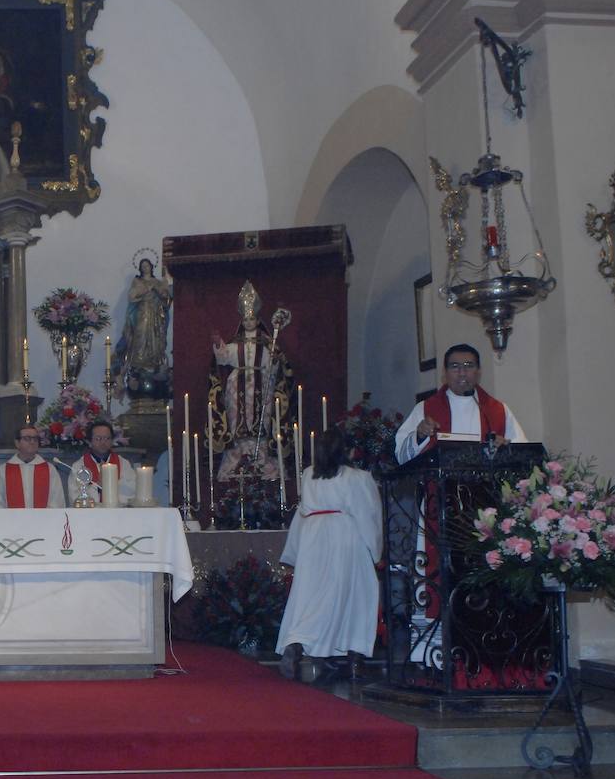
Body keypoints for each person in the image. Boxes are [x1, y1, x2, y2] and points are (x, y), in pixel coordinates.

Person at [276, 428, 383, 680]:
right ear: (347, 450)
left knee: (311, 597)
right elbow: (368, 514)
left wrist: (295, 550)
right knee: (355, 596)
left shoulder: (308, 475)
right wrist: (375, 550)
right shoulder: (357, 477)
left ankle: (297, 642)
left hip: (313, 539)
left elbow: (302, 513)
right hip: (345, 538)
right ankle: (355, 656)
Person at [395, 343, 527, 463]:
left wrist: (505, 448)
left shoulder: (498, 411)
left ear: (478, 372)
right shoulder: (424, 409)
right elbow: (401, 457)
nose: (462, 373)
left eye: (469, 366)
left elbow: (524, 455)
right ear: (445, 373)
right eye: (454, 367)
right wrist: (419, 436)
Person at [210, 280, 289, 481]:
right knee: (238, 422)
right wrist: (218, 344)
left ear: (257, 319)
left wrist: (274, 358)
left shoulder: (266, 342)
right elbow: (223, 358)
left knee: (261, 422)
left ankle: (262, 461)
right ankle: (237, 459)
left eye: (252, 319)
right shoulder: (235, 343)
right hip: (237, 386)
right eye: (245, 320)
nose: (248, 323)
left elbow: (275, 367)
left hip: (261, 385)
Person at [110, 258, 173, 397]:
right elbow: (131, 296)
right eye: (143, 266)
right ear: (140, 268)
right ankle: (139, 364)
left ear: (151, 267)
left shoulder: (158, 282)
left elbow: (166, 299)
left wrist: (159, 290)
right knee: (141, 337)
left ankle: (154, 363)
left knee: (156, 340)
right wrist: (146, 289)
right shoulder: (137, 282)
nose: (145, 268)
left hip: (156, 316)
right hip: (142, 313)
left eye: (147, 265)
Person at [0, 425, 65, 509]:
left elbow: (57, 501)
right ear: (17, 443)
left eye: (35, 439)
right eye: (27, 438)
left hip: (45, 521)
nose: (32, 442)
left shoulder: (49, 470)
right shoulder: (3, 471)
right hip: (11, 521)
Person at [68, 420, 136, 506]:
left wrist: (109, 485)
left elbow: (132, 492)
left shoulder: (123, 464)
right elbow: (74, 497)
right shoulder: (78, 466)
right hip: (88, 517)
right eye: (98, 438)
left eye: (107, 438)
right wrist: (98, 486)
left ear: (112, 441)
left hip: (117, 515)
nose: (103, 442)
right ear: (89, 442)